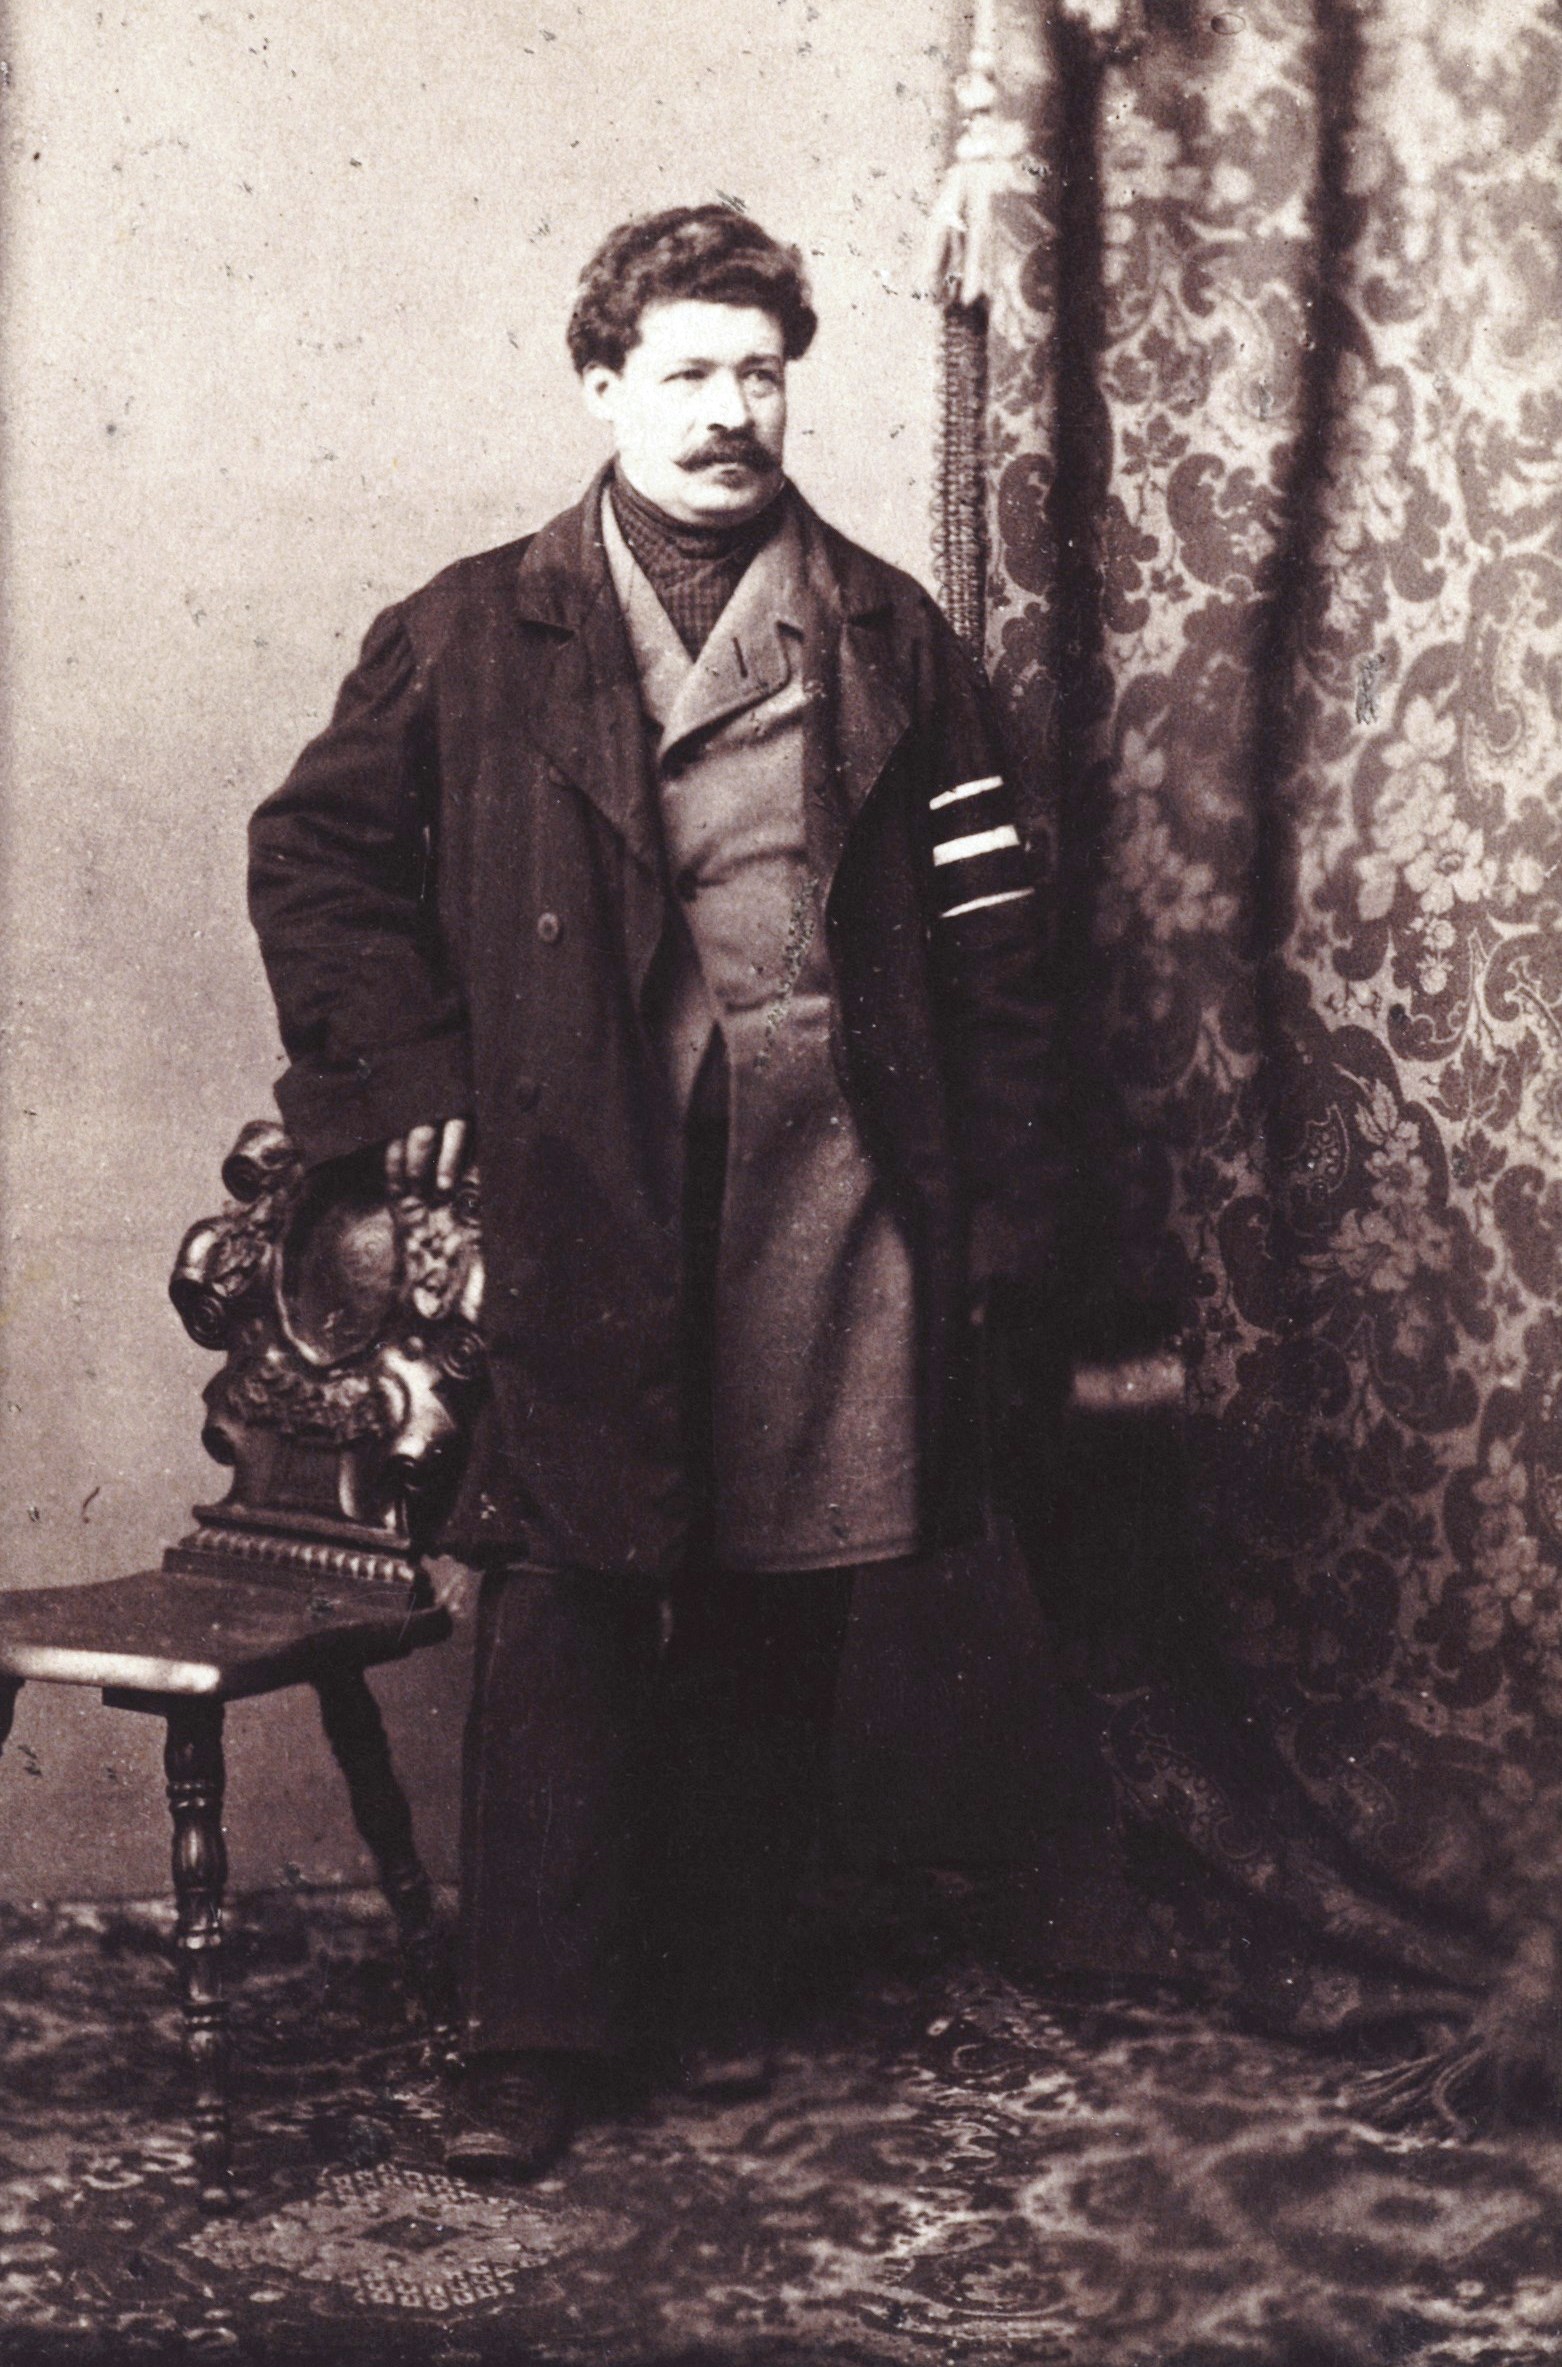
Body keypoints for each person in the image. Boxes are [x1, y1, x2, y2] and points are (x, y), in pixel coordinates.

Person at [247, 204, 1065, 2180]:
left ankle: (711, 1978)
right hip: (577, 1164)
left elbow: (992, 941)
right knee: (570, 1584)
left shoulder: (885, 632)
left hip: (823, 1173)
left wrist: (1006, 1210)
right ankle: (533, 2033)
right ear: (602, 385)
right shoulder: (472, 627)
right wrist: (411, 1078)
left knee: (787, 1578)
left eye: (758, 372)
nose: (727, 411)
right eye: (686, 372)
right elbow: (316, 860)